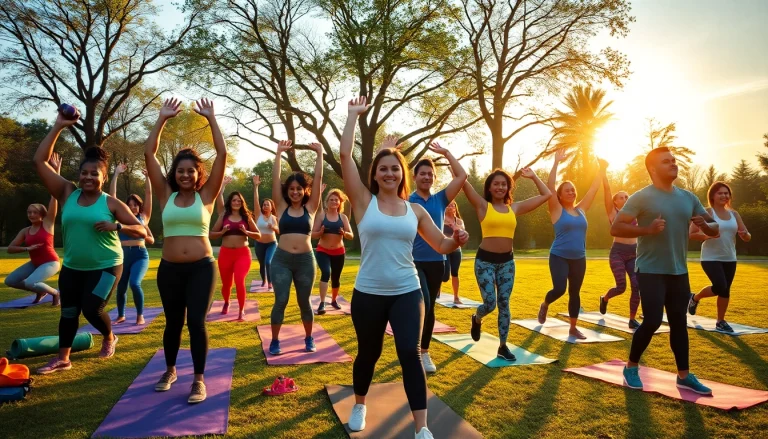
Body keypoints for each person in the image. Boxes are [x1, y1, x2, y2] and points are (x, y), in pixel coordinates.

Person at [341, 96, 468, 439]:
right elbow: (343, 157)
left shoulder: (415, 210)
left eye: (394, 168)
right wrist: (353, 115)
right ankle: (360, 403)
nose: (388, 172)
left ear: (402, 174)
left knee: (409, 353)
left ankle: (421, 428)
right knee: (368, 352)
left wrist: (456, 239)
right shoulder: (363, 202)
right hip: (368, 292)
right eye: (383, 168)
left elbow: (440, 244)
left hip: (407, 290)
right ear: (375, 174)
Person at [34, 106, 146, 375]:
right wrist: (60, 124)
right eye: (84, 173)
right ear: (79, 175)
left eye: (94, 174)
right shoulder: (66, 192)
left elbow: (143, 232)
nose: (88, 177)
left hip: (107, 265)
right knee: (69, 312)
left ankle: (109, 337)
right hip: (73, 266)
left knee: (92, 309)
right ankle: (63, 358)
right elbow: (39, 161)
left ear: (103, 177)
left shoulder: (112, 202)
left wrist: (116, 225)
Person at [612, 147, 719, 395]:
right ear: (652, 168)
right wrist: (647, 231)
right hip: (650, 269)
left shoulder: (688, 198)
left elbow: (714, 230)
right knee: (651, 321)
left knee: (679, 323)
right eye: (666, 161)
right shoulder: (641, 197)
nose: (673, 164)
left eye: (674, 160)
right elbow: (616, 228)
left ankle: (683, 376)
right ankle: (630, 367)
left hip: (678, 271)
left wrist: (707, 224)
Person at [144, 97, 226, 403]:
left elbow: (221, 154)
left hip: (202, 267)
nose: (186, 174)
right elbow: (149, 153)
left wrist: (211, 118)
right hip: (170, 269)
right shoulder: (165, 195)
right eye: (181, 170)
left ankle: (199, 380)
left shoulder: (206, 196)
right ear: (174, 173)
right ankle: (170, 370)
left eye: (192, 170)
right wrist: (162, 118)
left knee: (196, 323)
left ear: (198, 174)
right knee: (173, 321)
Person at [464, 167, 551, 360]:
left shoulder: (515, 208)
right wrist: (446, 154)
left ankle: (503, 346)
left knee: (504, 304)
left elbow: (547, 195)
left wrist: (535, 176)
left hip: (507, 264)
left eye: (504, 184)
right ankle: (477, 318)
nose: (500, 187)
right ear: (489, 187)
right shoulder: (482, 206)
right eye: (496, 183)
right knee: (490, 304)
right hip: (484, 262)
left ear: (508, 187)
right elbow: (463, 180)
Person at [401, 137, 466, 375]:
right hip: (412, 262)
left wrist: (447, 152)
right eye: (422, 174)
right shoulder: (407, 201)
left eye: (430, 174)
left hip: (437, 262)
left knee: (429, 309)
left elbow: (461, 177)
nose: (427, 177)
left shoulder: (441, 199)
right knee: (424, 303)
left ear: (434, 178)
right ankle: (415, 350)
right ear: (415, 177)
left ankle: (424, 351)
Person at [537, 151, 605, 340]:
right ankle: (545, 303)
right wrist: (556, 162)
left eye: (573, 189)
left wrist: (601, 170)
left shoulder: (581, 210)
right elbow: (550, 186)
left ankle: (573, 328)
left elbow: (593, 190)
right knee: (559, 289)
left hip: (579, 258)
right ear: (559, 195)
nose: (571, 192)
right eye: (567, 189)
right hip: (559, 256)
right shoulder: (556, 209)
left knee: (575, 292)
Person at [269, 139, 323, 355]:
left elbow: (318, 179)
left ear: (305, 190)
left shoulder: (311, 208)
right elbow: (275, 180)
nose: (295, 192)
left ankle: (309, 338)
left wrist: (319, 155)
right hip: (281, 260)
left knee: (305, 302)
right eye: (291, 189)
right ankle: (274, 341)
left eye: (299, 188)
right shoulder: (280, 207)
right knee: (280, 300)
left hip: (305, 261)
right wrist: (278, 153)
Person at [688, 181, 751, 332]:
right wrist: (708, 236)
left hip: (730, 257)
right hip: (710, 257)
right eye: (720, 193)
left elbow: (747, 236)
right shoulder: (707, 213)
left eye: (726, 193)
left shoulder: (734, 214)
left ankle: (720, 321)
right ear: (713, 196)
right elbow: (691, 234)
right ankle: (695, 298)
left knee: (725, 290)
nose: (724, 195)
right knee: (720, 286)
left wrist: (745, 235)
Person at [6, 154, 63, 307]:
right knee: (9, 281)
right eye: (29, 212)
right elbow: (10, 249)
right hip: (35, 263)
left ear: (42, 214)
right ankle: (40, 290)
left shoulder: (48, 224)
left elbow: (54, 197)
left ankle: (55, 293)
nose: (31, 214)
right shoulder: (25, 231)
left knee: (31, 281)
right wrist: (27, 248)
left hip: (51, 262)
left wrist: (56, 173)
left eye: (34, 212)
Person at [108, 164, 155, 325]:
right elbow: (112, 196)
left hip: (140, 255)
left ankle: (139, 315)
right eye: (130, 204)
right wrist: (116, 174)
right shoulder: (120, 217)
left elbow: (149, 194)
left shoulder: (144, 217)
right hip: (122, 255)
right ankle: (121, 315)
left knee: (135, 283)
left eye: (135, 204)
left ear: (139, 206)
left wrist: (148, 177)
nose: (133, 206)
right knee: (121, 287)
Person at [210, 178, 261, 320]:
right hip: (225, 253)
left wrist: (247, 232)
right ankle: (226, 302)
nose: (237, 202)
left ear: (242, 202)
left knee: (239, 280)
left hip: (242, 254)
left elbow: (258, 235)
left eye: (239, 200)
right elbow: (211, 234)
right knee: (227, 284)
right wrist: (222, 232)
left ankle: (241, 309)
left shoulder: (247, 217)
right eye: (234, 200)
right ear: (230, 202)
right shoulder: (223, 215)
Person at [598, 176, 641, 328]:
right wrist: (603, 172)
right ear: (615, 202)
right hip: (618, 253)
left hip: (634, 253)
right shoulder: (613, 213)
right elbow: (607, 191)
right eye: (621, 197)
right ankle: (605, 299)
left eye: (626, 197)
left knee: (637, 285)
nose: (624, 199)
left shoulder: (636, 214)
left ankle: (632, 319)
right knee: (621, 287)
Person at [311, 188, 354, 314]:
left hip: (339, 252)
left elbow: (351, 235)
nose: (334, 202)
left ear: (340, 202)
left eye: (336, 200)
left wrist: (344, 233)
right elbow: (313, 234)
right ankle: (322, 303)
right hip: (323, 250)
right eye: (331, 200)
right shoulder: (321, 216)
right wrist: (320, 232)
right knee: (326, 272)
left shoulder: (343, 217)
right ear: (327, 202)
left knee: (336, 278)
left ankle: (334, 300)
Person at [252, 175, 279, 292]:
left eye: (267, 204)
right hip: (259, 244)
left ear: (272, 206)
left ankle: (270, 283)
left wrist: (273, 227)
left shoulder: (274, 218)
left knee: (268, 262)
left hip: (272, 244)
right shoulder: (259, 215)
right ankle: (264, 280)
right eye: (264, 204)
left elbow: (279, 231)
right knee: (262, 264)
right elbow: (256, 201)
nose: (265, 206)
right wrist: (256, 187)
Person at [442, 201, 464, 305]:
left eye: (453, 205)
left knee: (455, 272)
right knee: (444, 275)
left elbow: (462, 233)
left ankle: (456, 297)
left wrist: (456, 228)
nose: (451, 207)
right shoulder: (441, 219)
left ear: (455, 208)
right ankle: (437, 290)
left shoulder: (459, 221)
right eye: (449, 205)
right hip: (445, 249)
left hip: (456, 250)